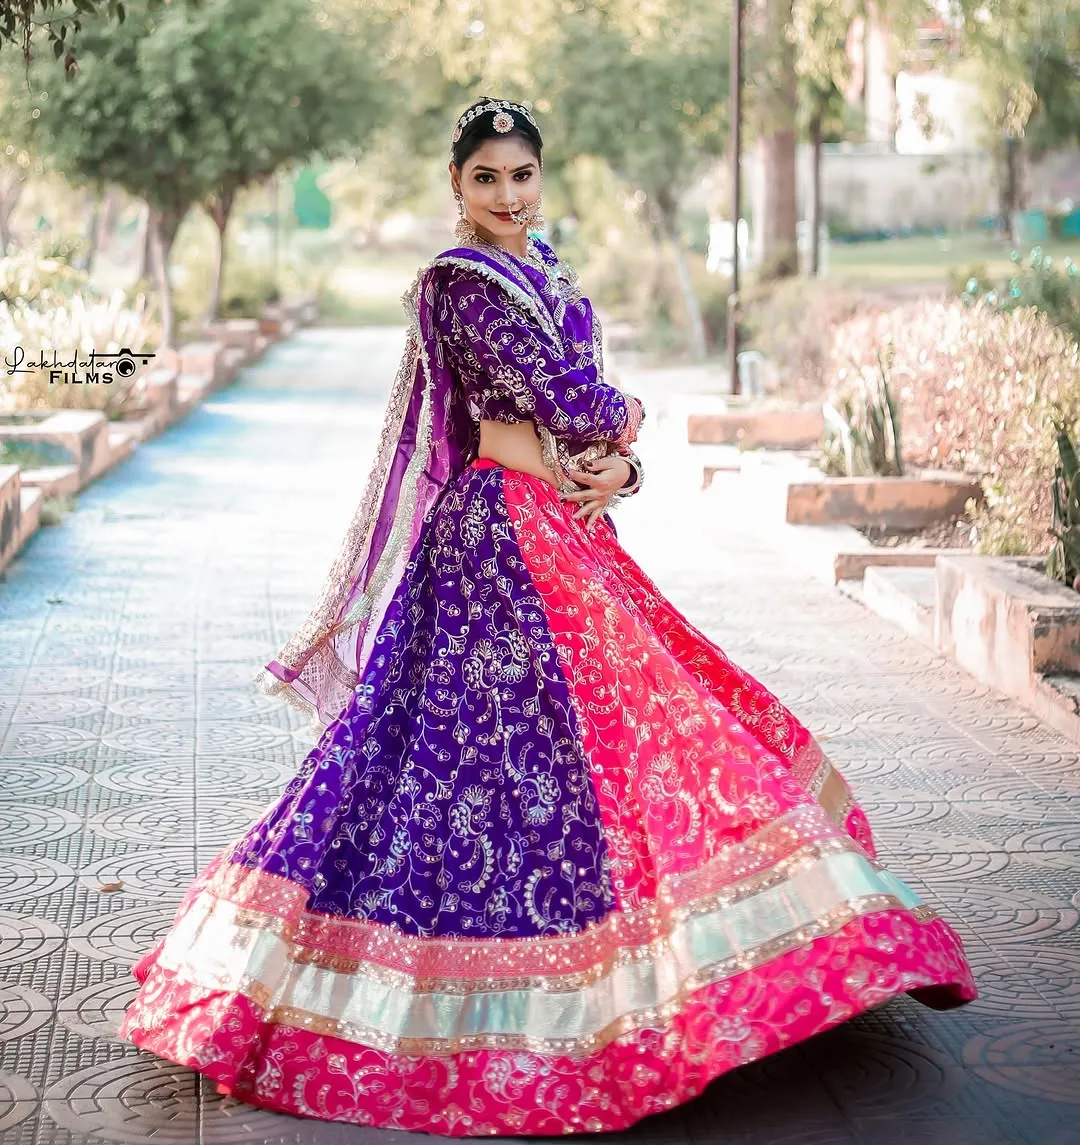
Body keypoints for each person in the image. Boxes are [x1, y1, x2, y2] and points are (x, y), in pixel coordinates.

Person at [119, 99, 976, 1135]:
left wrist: (625, 466)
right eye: (485, 177)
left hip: (565, 529)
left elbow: (589, 413)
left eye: (520, 174)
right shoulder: (456, 284)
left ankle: (702, 948)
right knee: (468, 761)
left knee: (640, 725)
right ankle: (445, 986)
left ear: (540, 176)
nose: (506, 194)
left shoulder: (548, 269)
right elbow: (572, 399)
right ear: (457, 185)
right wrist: (623, 424)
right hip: (496, 542)